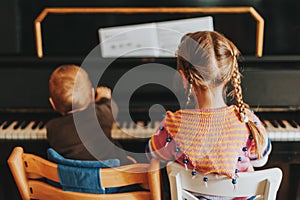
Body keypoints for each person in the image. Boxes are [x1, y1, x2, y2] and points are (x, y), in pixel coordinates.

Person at [146, 31, 271, 199]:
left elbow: (152, 154)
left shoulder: (171, 125)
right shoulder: (247, 121)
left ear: (184, 78)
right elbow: (261, 161)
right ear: (229, 75)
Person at [46, 64, 132, 165]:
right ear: (92, 95)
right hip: (109, 177)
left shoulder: (52, 128)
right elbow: (112, 107)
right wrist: (104, 98)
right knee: (131, 160)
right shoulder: (101, 115)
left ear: (53, 104)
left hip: (73, 179)